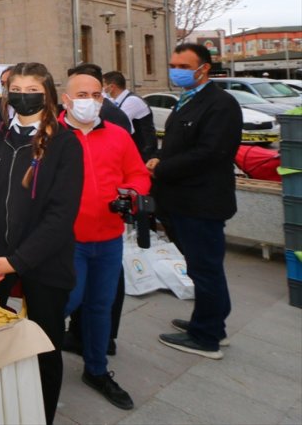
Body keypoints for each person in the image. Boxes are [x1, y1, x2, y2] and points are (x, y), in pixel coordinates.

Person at [0, 62, 83, 425]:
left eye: (32, 88)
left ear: (46, 93)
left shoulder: (64, 143)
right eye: (16, 87)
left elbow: (60, 216)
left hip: (44, 262)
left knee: (43, 346)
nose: (23, 94)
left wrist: (16, 261)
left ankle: (41, 414)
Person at [59, 70, 149, 411]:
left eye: (96, 94)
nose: (91, 101)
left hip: (109, 239)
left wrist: (135, 194)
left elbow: (138, 173)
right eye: (82, 95)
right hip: (68, 241)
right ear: (66, 100)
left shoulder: (117, 135)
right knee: (68, 301)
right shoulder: (50, 136)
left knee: (100, 306)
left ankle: (96, 370)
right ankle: (38, 362)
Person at [149, 43, 242, 359]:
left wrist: (163, 166)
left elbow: (210, 154)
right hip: (181, 201)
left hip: (201, 203)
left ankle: (206, 338)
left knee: (205, 269)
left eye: (183, 66)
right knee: (202, 267)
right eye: (173, 63)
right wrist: (159, 157)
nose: (176, 70)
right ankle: (213, 323)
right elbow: (177, 143)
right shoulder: (188, 101)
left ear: (203, 69)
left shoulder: (221, 104)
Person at [103, 70, 157, 161]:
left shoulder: (132, 100)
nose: (102, 89)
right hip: (136, 151)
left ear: (112, 87)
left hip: (144, 153)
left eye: (103, 85)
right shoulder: (117, 101)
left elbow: (117, 123)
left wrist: (102, 98)